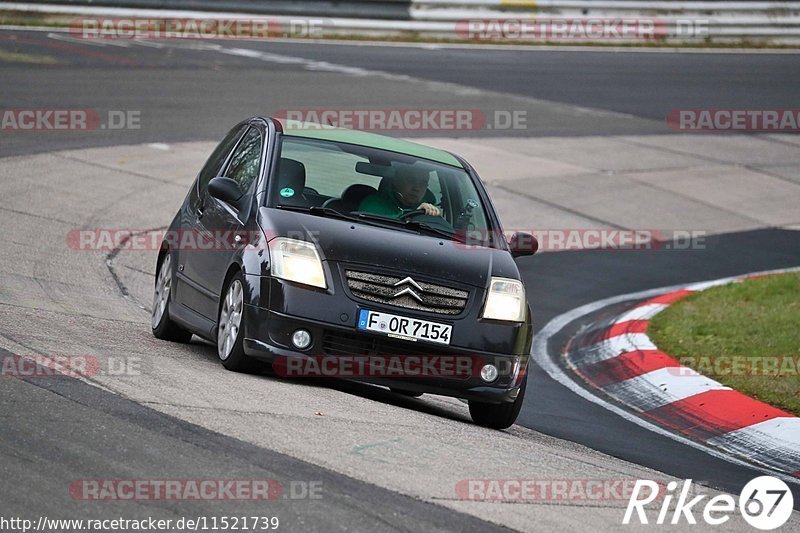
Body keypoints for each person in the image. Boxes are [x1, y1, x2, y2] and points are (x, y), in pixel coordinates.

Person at [358, 167, 441, 218]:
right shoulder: (374, 203)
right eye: (411, 180)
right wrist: (415, 215)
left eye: (423, 183)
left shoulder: (428, 210)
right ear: (395, 181)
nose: (417, 188)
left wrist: (433, 216)